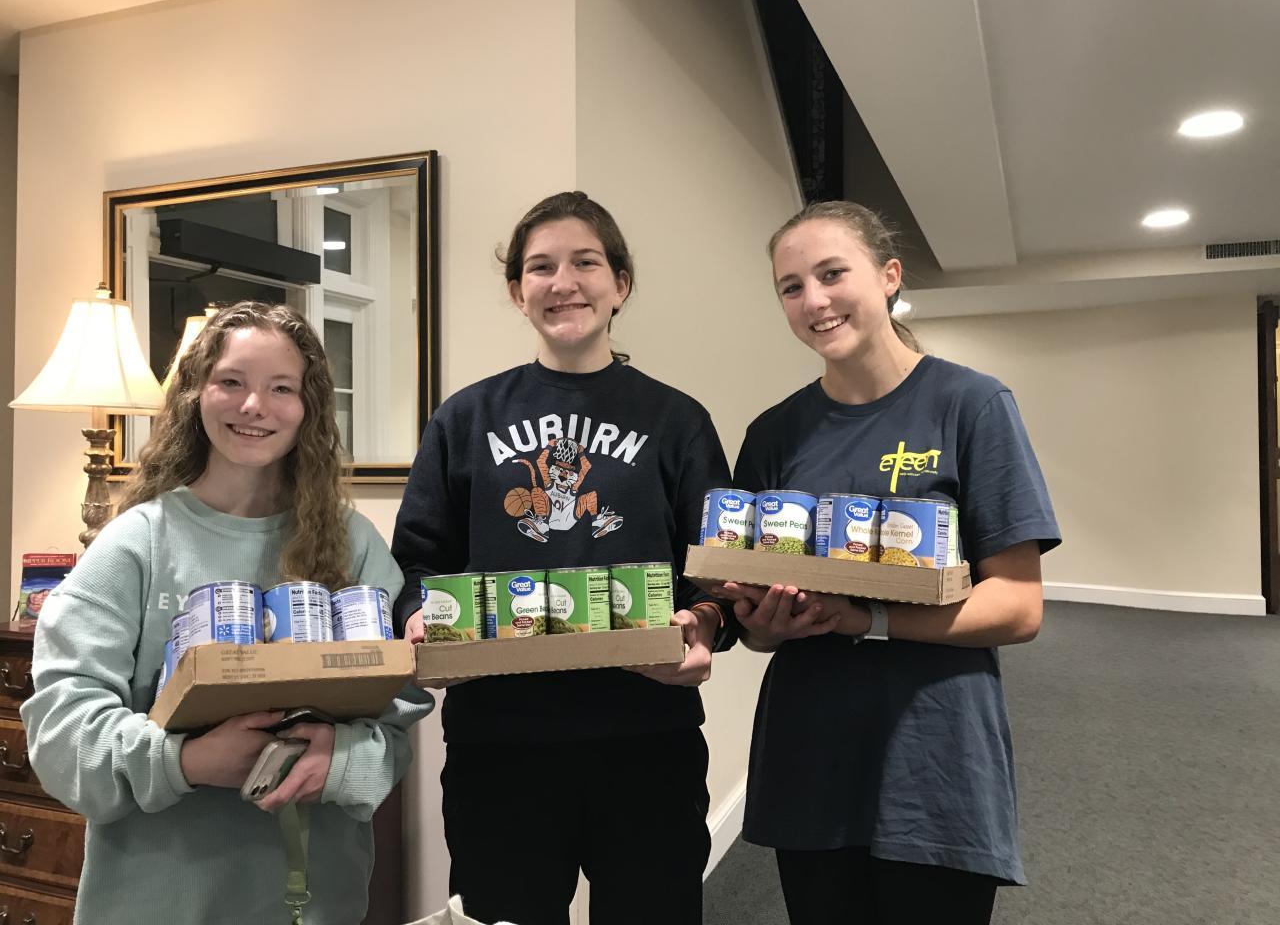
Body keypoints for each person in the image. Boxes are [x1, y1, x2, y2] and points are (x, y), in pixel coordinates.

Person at [21, 302, 433, 925]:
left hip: (312, 902)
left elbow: (398, 719)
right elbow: (60, 734)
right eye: (231, 381)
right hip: (152, 903)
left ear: (309, 407)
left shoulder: (354, 545)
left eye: (281, 388)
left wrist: (340, 758)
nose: (253, 405)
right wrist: (185, 762)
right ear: (196, 394)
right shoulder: (135, 543)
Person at [391, 191, 734, 925]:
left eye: (585, 262)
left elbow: (720, 577)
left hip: (648, 740)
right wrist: (418, 615)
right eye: (540, 267)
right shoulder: (464, 419)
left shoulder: (677, 421)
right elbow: (415, 566)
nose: (562, 282)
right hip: (500, 744)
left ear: (621, 284)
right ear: (518, 291)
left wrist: (704, 624)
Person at [715, 201, 1060, 925]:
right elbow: (754, 628)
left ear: (889, 275)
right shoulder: (774, 433)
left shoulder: (971, 405)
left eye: (832, 274)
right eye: (790, 287)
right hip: (810, 752)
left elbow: (1018, 606)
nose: (814, 300)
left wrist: (866, 618)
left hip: (934, 754)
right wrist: (767, 622)